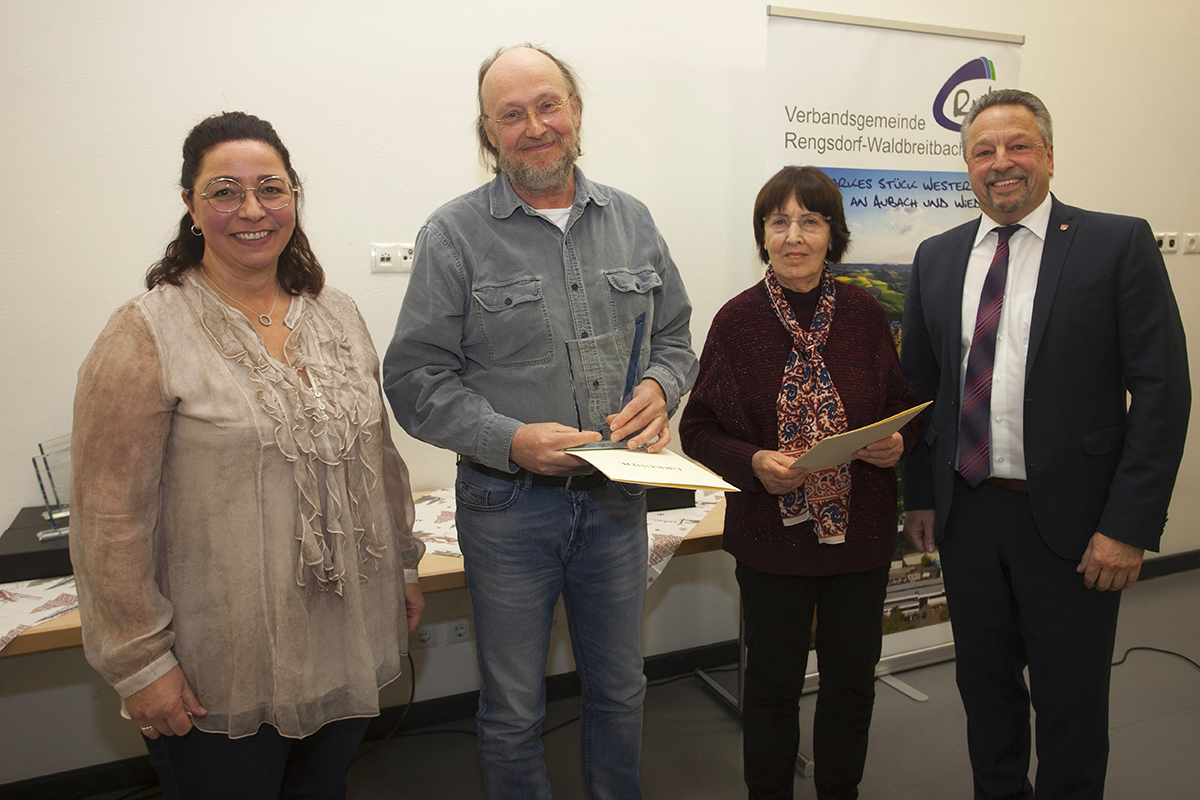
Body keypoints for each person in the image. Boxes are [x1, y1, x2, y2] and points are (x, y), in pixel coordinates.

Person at [69, 111, 426, 799]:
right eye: (225, 191)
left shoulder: (337, 312)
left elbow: (378, 460)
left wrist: (403, 569)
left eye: (271, 188)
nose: (252, 210)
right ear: (191, 207)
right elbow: (108, 521)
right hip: (217, 668)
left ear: (294, 196)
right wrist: (141, 664)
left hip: (341, 639)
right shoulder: (146, 333)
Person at [382, 45, 696, 800]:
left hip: (618, 502)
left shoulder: (634, 220)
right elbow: (413, 379)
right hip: (506, 510)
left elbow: (677, 336)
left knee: (622, 693)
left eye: (547, 105)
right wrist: (511, 441)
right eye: (511, 114)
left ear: (576, 113)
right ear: (489, 133)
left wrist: (661, 383)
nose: (534, 126)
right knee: (514, 710)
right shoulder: (452, 235)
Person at [901, 89, 1190, 799]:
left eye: (1018, 145)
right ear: (966, 167)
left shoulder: (1116, 243)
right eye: (983, 151)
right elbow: (918, 392)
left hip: (1072, 524)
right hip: (968, 516)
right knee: (986, 690)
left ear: (1050, 156)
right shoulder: (936, 258)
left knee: (1071, 705)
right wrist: (920, 496)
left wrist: (1127, 526)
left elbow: (1162, 393)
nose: (1001, 163)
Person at [680, 165, 920, 800]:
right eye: (778, 221)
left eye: (809, 221)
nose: (793, 235)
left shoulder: (866, 313)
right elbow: (698, 429)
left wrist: (896, 443)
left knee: (851, 684)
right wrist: (756, 461)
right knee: (771, 691)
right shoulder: (737, 321)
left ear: (832, 235)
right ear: (761, 235)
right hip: (772, 539)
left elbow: (903, 407)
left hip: (860, 537)